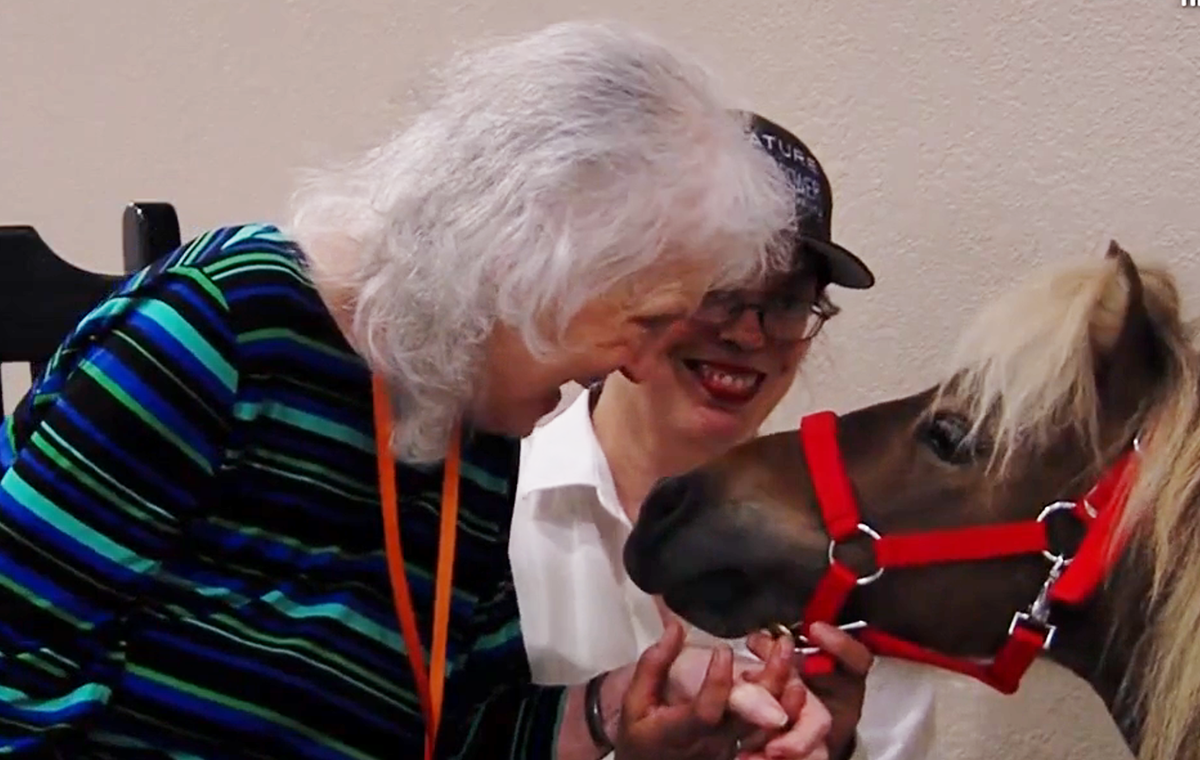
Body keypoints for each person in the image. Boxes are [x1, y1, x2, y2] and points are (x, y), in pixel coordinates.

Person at [0, 21, 850, 760]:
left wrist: (611, 711)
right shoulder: (220, 330)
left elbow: (457, 729)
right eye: (650, 318)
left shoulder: (471, 417)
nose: (637, 366)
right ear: (529, 261)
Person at [511, 113, 938, 760]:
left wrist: (843, 746)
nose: (747, 334)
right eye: (721, 290)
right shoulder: (492, 513)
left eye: (788, 302)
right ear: (630, 284)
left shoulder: (849, 573)